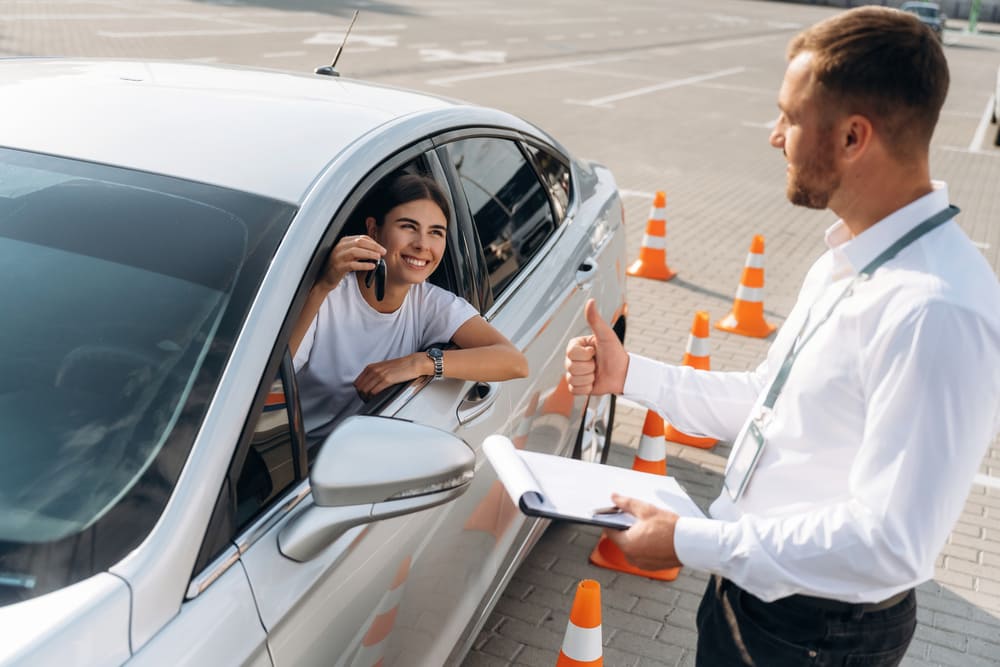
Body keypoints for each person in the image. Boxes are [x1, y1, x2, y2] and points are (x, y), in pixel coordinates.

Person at [565, 7, 1000, 666]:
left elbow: (891, 540)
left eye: (791, 118)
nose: (775, 136)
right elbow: (769, 401)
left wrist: (690, 541)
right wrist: (631, 376)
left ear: (854, 137)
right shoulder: (848, 257)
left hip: (817, 634)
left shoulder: (935, 310)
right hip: (757, 596)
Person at [291, 172, 527, 442]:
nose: (422, 245)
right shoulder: (331, 292)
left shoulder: (430, 303)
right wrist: (321, 286)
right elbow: (274, 378)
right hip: (292, 463)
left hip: (363, 450)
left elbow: (514, 362)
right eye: (408, 227)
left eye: (435, 233)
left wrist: (419, 363)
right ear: (373, 230)